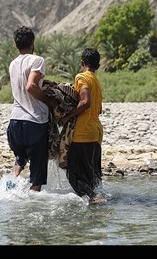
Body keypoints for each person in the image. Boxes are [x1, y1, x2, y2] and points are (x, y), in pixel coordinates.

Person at [7, 26, 56, 192]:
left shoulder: (13, 64)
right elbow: (30, 86)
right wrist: (49, 100)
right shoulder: (37, 60)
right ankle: (31, 203)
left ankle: (10, 187)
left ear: (16, 45)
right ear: (33, 43)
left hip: (15, 121)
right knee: (37, 173)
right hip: (34, 121)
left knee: (20, 158)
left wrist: (44, 82)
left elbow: (24, 84)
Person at [60, 48, 105, 204]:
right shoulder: (97, 82)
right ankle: (95, 202)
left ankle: (94, 198)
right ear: (98, 66)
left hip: (83, 132)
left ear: (82, 63)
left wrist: (67, 117)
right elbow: (99, 109)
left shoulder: (82, 77)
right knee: (92, 174)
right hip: (97, 132)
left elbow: (85, 102)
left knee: (73, 174)